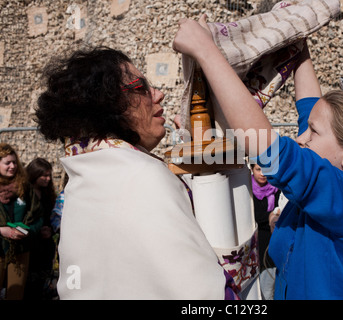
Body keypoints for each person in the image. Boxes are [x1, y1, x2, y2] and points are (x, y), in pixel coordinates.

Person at [173, 15, 343, 299]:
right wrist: (297, 34)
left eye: (312, 131)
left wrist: (205, 50)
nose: (301, 137)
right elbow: (310, 106)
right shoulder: (340, 181)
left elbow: (267, 148)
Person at [34, 46, 240, 299]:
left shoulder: (86, 176)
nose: (159, 94)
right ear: (109, 102)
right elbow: (201, 292)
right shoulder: (140, 174)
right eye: (141, 87)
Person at [0, 143, 43, 300]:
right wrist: (2, 230)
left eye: (14, 162)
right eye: (7, 163)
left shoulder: (25, 188)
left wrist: (27, 230)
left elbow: (38, 216)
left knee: (15, 293)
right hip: (0, 246)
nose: (12, 166)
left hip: (20, 249)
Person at [24, 158, 57, 300]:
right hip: (29, 245)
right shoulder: (23, 193)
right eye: (44, 175)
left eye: (49, 175)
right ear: (34, 174)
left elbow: (52, 216)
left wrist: (50, 230)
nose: (48, 179)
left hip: (45, 246)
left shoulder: (47, 195)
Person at [251, 163, 280, 299]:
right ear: (252, 169)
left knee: (271, 290)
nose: (262, 173)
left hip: (275, 246)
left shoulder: (277, 189)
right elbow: (253, 215)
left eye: (266, 170)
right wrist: (270, 216)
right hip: (258, 248)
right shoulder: (246, 189)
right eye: (258, 169)